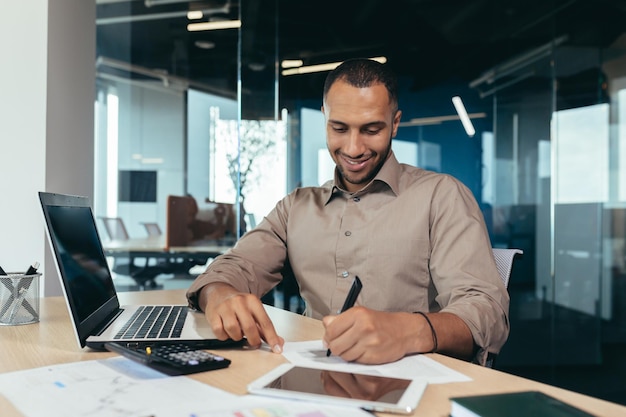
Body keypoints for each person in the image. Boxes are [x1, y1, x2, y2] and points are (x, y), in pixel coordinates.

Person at [186, 58, 509, 366]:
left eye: (371, 129)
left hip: (413, 380)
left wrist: (407, 330)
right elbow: (234, 267)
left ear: (395, 123)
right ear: (324, 117)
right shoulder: (296, 206)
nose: (354, 149)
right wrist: (219, 295)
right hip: (315, 373)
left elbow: (486, 312)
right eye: (339, 128)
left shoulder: (442, 196)